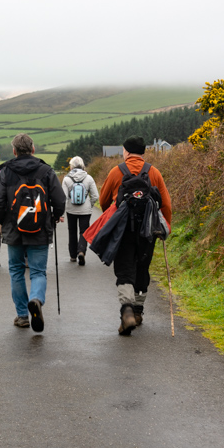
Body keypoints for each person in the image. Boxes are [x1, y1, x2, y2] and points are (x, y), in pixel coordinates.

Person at [0, 133, 66, 332]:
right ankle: (36, 299)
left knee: (16, 271)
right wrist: (54, 216)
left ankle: (23, 315)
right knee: (38, 271)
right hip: (40, 229)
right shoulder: (46, 170)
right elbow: (60, 200)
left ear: (14, 151)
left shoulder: (6, 171)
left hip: (14, 229)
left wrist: (1, 221)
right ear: (33, 149)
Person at [98, 135, 172, 336]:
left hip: (123, 231)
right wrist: (165, 228)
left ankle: (127, 310)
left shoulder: (117, 172)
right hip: (148, 230)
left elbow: (103, 200)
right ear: (143, 152)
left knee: (124, 270)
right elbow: (166, 204)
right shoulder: (153, 172)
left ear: (126, 151)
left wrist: (113, 220)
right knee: (142, 268)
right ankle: (138, 312)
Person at [60, 156, 99, 266]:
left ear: (71, 167)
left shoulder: (67, 179)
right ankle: (81, 251)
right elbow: (95, 196)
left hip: (71, 210)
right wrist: (90, 205)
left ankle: (73, 256)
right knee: (84, 231)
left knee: (72, 231)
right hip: (85, 211)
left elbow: (63, 198)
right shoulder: (89, 178)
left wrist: (62, 213)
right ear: (82, 166)